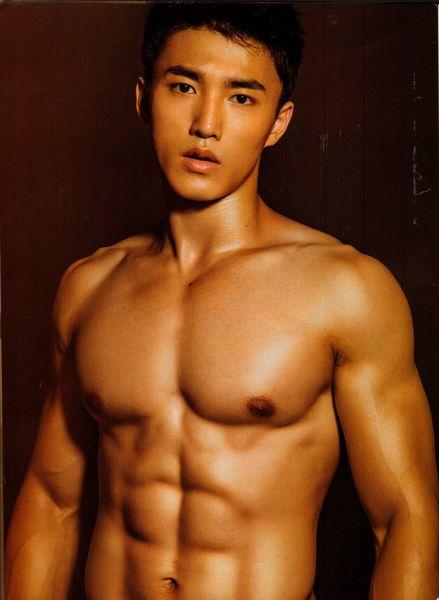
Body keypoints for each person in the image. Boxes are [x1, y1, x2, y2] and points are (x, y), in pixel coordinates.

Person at [5, 3, 439, 599]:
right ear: (143, 98)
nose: (206, 123)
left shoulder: (344, 288)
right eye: (183, 86)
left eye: (241, 97)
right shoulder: (90, 287)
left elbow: (404, 520)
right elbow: (52, 503)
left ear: (278, 122)